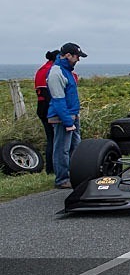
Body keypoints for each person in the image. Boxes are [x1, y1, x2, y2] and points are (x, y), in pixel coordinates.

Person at [47, 42, 87, 189]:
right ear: (68, 55)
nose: (78, 60)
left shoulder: (66, 70)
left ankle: (77, 174)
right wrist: (67, 122)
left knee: (76, 147)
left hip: (72, 115)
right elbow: (58, 100)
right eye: (77, 57)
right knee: (62, 149)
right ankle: (62, 179)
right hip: (62, 117)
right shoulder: (56, 72)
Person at [34, 49, 60, 174]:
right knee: (55, 138)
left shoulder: (42, 69)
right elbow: (49, 93)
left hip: (41, 105)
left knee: (51, 138)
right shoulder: (50, 71)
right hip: (48, 106)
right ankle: (52, 167)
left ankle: (50, 168)